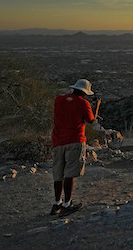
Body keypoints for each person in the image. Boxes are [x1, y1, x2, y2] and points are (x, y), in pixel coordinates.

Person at [50, 78, 97, 216]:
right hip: (75, 141)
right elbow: (90, 120)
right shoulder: (83, 103)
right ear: (85, 92)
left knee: (58, 174)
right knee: (70, 173)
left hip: (58, 141)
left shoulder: (58, 100)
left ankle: (56, 203)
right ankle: (67, 204)